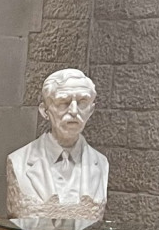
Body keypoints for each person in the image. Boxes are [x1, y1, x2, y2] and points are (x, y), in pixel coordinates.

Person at [6, 68, 108, 221]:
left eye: (82, 103)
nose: (74, 111)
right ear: (45, 111)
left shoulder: (100, 163)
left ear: (91, 110)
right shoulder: (19, 161)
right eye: (63, 102)